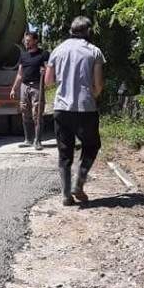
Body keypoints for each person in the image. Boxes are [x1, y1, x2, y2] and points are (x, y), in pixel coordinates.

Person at [45, 16, 105, 206]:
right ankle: (78, 184)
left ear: (71, 30)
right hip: (85, 108)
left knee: (64, 153)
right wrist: (92, 96)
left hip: (62, 109)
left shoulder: (57, 50)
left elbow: (48, 82)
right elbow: (99, 84)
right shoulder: (94, 51)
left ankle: (65, 195)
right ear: (88, 31)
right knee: (91, 145)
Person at [10, 32, 50, 150]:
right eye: (25, 40)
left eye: (28, 40)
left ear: (35, 41)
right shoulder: (24, 56)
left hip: (37, 86)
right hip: (24, 86)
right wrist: (14, 88)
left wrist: (45, 71)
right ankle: (28, 139)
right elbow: (19, 74)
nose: (26, 42)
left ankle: (38, 141)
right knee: (25, 112)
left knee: (37, 114)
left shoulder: (43, 54)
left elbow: (49, 69)